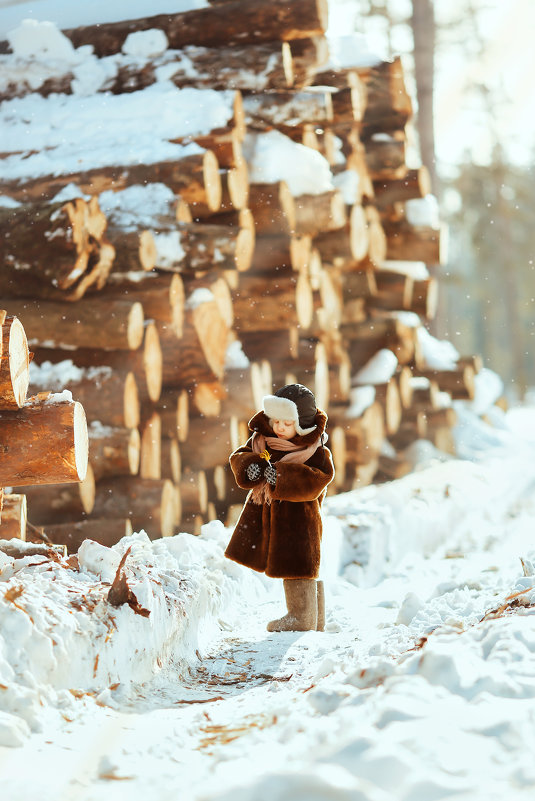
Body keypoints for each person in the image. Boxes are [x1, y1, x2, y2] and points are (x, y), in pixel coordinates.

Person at [225, 383, 335, 632]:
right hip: (269, 512)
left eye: (287, 423)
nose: (279, 428)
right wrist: (252, 466)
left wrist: (281, 477)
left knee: (298, 563)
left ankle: (301, 617)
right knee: (295, 563)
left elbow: (318, 479)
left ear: (301, 424)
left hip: (299, 517)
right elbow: (239, 457)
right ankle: (314, 618)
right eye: (276, 421)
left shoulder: (314, 449)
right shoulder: (264, 441)